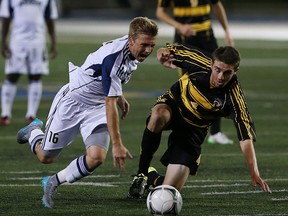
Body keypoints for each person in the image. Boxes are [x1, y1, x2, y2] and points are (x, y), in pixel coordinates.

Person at [16, 16, 158, 208]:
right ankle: (33, 131)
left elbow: (108, 77)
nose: (148, 50)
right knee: (46, 157)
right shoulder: (114, 57)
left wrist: (119, 94)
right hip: (73, 102)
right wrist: (117, 144)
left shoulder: (132, 50)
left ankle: (53, 182)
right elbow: (110, 88)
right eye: (144, 45)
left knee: (97, 157)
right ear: (131, 40)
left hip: (96, 106)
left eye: (152, 45)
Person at [128, 44, 271, 199]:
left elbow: (245, 138)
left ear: (235, 71)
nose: (221, 77)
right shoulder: (198, 62)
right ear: (211, 64)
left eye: (227, 72)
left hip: (194, 130)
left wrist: (254, 172)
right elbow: (167, 49)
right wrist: (161, 54)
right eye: (217, 70)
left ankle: (152, 177)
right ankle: (141, 174)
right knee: (158, 115)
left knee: (169, 192)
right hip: (174, 105)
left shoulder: (234, 98)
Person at [156, 0, 234, 144]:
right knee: (188, 83)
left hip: (207, 38)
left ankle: (215, 133)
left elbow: (217, 5)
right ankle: (186, 129)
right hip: (185, 40)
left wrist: (226, 30)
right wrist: (179, 26)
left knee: (217, 82)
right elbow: (160, 12)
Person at [0, 0, 58, 126]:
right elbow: (5, 18)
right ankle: (5, 114)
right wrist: (3, 41)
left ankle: (31, 114)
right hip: (17, 42)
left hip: (38, 42)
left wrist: (53, 41)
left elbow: (49, 19)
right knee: (12, 75)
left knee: (36, 76)